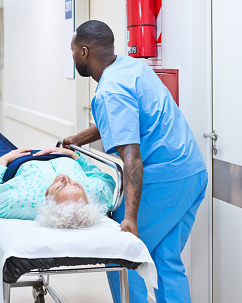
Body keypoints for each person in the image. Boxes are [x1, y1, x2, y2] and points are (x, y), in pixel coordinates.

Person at [64, 20, 207, 303]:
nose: (71, 57)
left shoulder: (109, 91)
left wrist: (129, 217)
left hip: (164, 179)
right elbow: (127, 121)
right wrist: (79, 138)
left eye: (71, 51)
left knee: (121, 256)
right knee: (166, 259)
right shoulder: (132, 67)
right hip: (193, 173)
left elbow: (131, 157)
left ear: (83, 52)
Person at [0, 147, 115, 228]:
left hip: (15, 159)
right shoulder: (92, 192)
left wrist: (2, 161)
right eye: (76, 184)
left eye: (60, 187)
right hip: (58, 153)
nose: (66, 177)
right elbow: (106, 181)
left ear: (48, 197)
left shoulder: (24, 200)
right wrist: (74, 155)